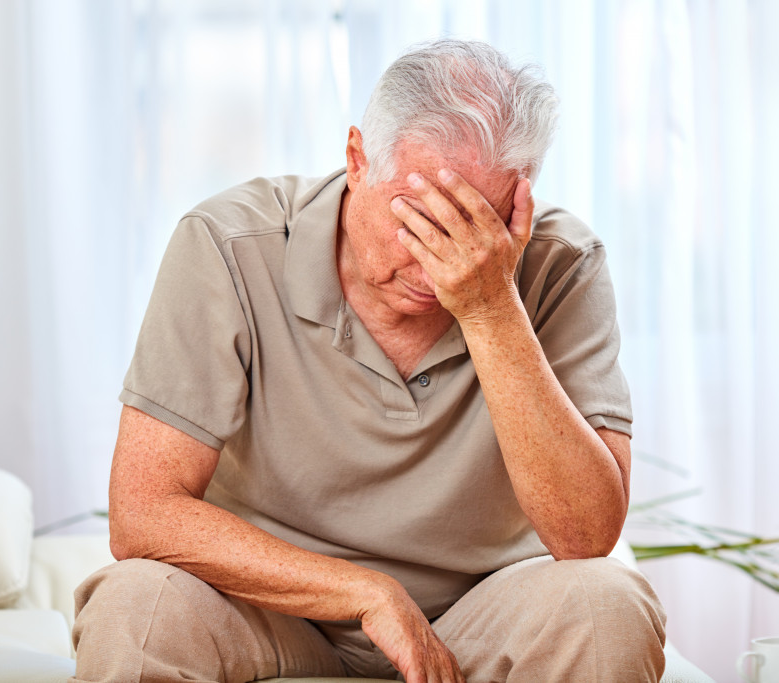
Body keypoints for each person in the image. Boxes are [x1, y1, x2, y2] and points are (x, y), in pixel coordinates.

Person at [71, 39, 666, 683]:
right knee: (135, 607)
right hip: (271, 607)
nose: (441, 264)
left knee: (607, 605)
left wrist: (492, 308)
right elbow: (143, 513)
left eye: (476, 226)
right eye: (418, 216)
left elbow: (586, 536)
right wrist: (365, 593)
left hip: (484, 608)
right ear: (357, 159)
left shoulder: (561, 264)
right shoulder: (227, 245)